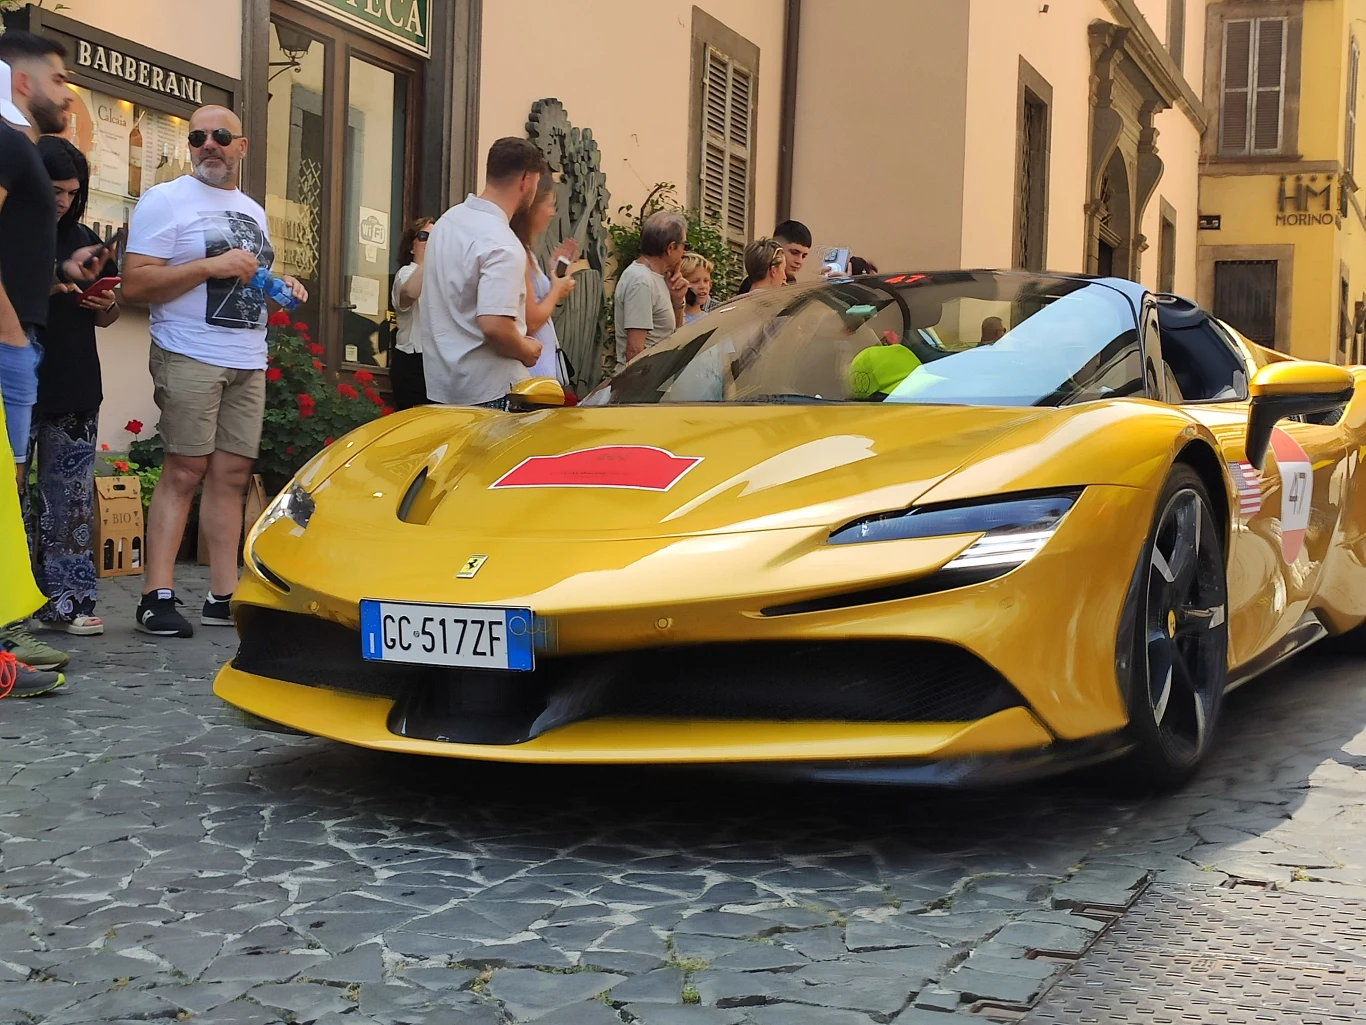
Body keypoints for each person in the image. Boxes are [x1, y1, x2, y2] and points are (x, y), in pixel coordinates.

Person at [121, 104, 307, 639]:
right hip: (189, 351)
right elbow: (135, 284)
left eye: (220, 136)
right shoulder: (165, 200)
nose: (208, 144)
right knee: (184, 470)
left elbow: (244, 280)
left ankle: (222, 595)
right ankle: (156, 596)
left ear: (241, 147)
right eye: (199, 136)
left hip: (247, 355)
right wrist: (210, 265)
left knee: (230, 475)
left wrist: (280, 285)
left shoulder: (252, 209)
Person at [0, 37, 113, 673]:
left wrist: (66, 270)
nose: (69, 91)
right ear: (21, 81)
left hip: (40, 356)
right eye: (60, 77)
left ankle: (9, 635)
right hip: (13, 347)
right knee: (6, 492)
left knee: (19, 489)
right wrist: (14, 336)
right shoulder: (7, 143)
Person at [23, 136, 119, 637]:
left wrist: (106, 305)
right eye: (54, 188)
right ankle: (16, 604)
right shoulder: (13, 229)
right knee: (12, 497)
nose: (62, 200)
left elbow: (111, 313)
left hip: (75, 377)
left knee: (71, 500)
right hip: (18, 378)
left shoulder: (83, 234)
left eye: (72, 192)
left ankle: (69, 601)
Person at [421, 137, 548, 407]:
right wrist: (527, 350)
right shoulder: (503, 243)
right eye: (536, 183)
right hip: (492, 392)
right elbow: (495, 327)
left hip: (441, 389)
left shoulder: (447, 222)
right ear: (525, 180)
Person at [510, 171, 578, 384]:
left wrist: (555, 276)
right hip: (534, 376)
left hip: (543, 371)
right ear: (532, 206)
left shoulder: (527, 252)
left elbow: (537, 300)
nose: (552, 213)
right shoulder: (518, 251)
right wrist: (556, 290)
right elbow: (529, 320)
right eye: (549, 204)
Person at [614, 211, 688, 364]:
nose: (684, 251)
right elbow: (634, 351)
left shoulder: (657, 278)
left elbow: (676, 336)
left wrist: (677, 301)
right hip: (643, 383)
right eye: (684, 245)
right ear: (671, 248)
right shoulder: (641, 281)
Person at [390, 217, 433, 411]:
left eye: (436, 238)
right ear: (411, 246)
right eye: (424, 237)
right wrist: (432, 256)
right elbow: (409, 293)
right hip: (413, 362)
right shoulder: (406, 272)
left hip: (439, 363)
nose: (430, 242)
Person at [680, 252, 713, 324]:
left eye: (706, 281)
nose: (702, 286)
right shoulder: (670, 319)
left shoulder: (711, 320)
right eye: (695, 281)